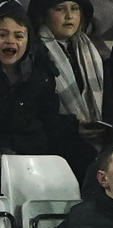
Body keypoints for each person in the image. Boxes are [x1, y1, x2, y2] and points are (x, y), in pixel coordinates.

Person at [1, 0, 93, 178]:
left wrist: (75, 126)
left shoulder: (41, 73)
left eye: (19, 36)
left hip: (35, 157)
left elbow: (48, 119)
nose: (10, 41)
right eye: (2, 35)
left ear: (28, 41)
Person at [28, 0, 113, 148]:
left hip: (97, 141)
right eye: (60, 9)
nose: (69, 16)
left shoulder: (92, 50)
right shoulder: (34, 55)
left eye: (75, 9)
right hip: (55, 144)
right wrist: (73, 127)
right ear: (43, 16)